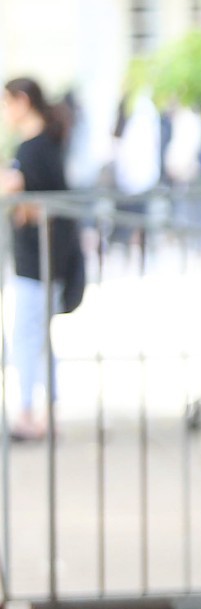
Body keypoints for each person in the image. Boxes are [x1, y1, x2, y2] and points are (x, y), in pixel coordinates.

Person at [3, 77, 76, 441]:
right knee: (38, 336)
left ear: (22, 101)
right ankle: (43, 412)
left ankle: (30, 412)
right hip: (46, 257)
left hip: (39, 259)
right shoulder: (46, 143)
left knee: (28, 337)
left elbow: (35, 203)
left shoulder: (35, 148)